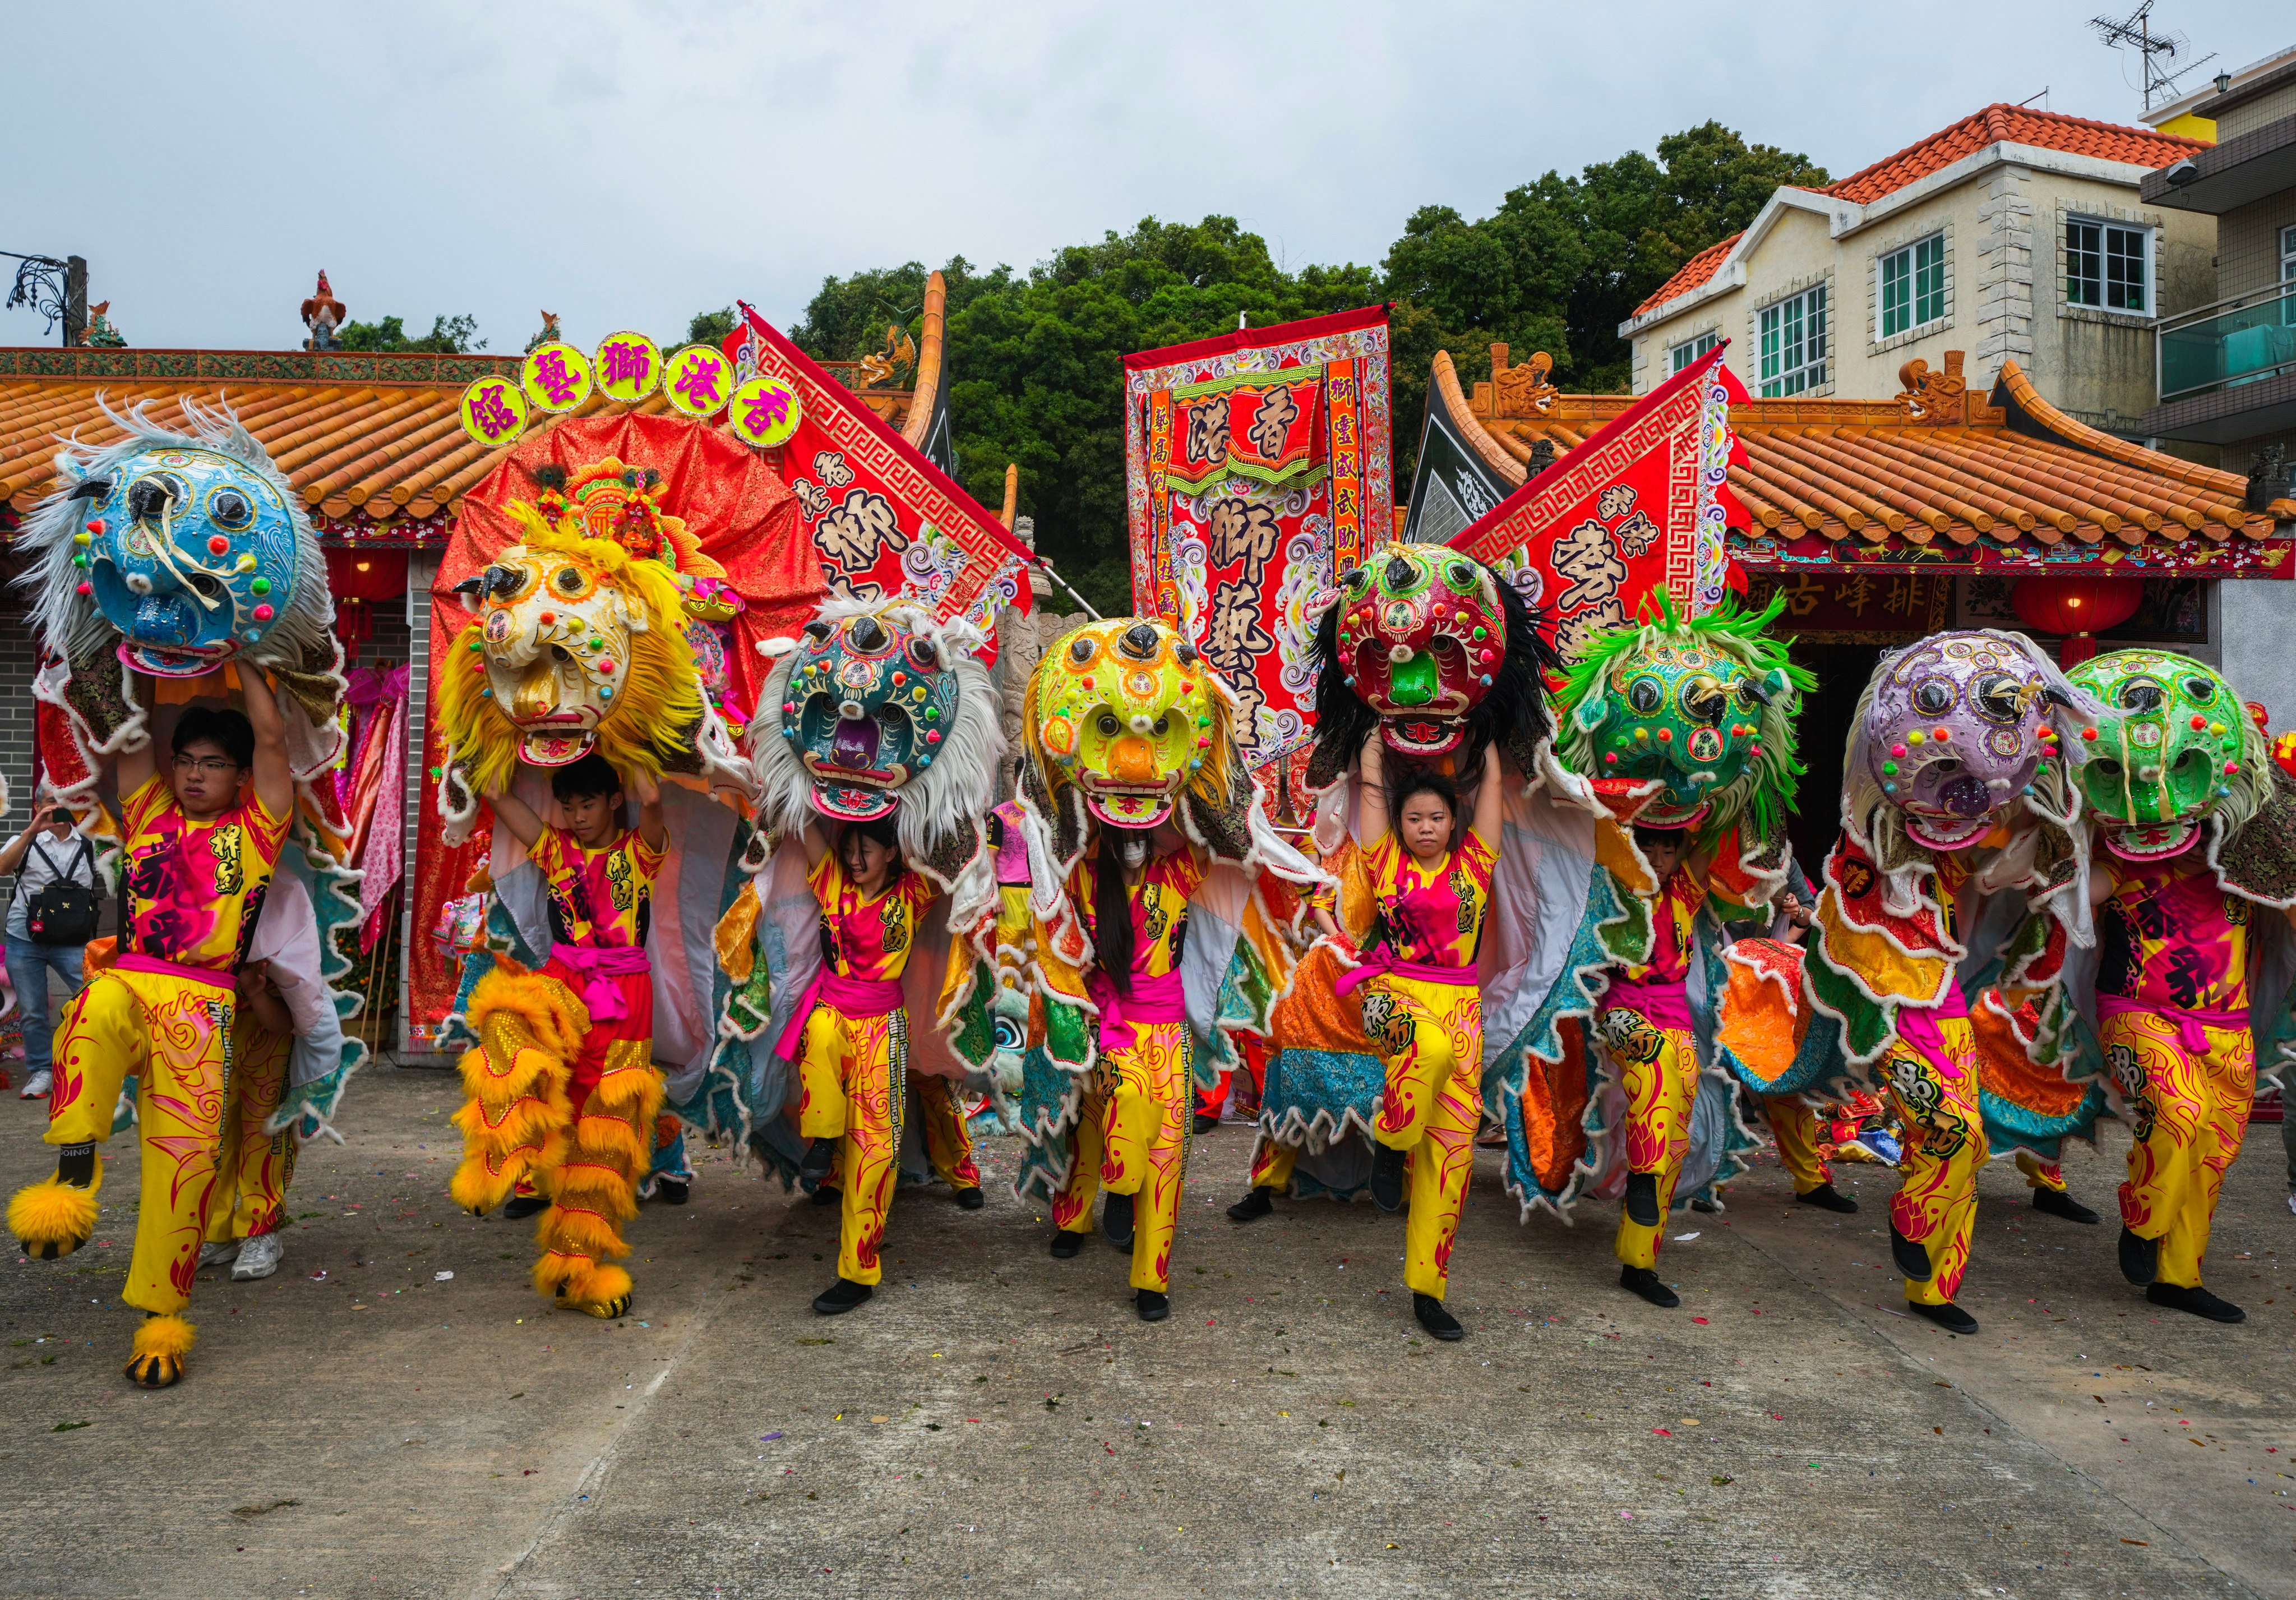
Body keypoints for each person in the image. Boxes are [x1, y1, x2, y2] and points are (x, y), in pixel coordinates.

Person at [7, 683, 293, 1387]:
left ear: (241, 775)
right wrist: (121, 650)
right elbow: (122, 728)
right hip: (135, 983)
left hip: (202, 1012)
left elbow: (276, 740)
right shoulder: (149, 813)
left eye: (215, 763)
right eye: (187, 760)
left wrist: (252, 660)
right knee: (93, 1008)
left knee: (184, 1174)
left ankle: (161, 1325)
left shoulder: (258, 829)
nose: (196, 774)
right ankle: (75, 1170)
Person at [454, 754, 666, 1320]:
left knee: (601, 1149)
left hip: (625, 1003)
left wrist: (631, 735)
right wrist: (481, 745)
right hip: (566, 985)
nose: (576, 815)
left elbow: (653, 803)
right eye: (567, 805)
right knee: (505, 1019)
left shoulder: (639, 852)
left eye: (588, 803)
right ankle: (505, 1149)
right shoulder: (556, 850)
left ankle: (579, 1271)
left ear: (612, 800)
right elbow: (502, 800)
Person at [1343, 734, 1502, 1342]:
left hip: (1462, 1011)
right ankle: (1389, 1144)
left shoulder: (1476, 865)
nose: (1426, 826)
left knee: (1451, 1162)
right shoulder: (1386, 862)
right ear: (1401, 823)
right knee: (1425, 1049)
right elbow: (1371, 787)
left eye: (1437, 817)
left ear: (1452, 820)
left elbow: (1489, 795)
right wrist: (1375, 745)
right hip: (1394, 998)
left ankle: (1428, 1293)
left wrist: (1488, 753)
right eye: (1415, 817)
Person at [784, 811, 958, 1315]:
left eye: (868, 849)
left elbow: (950, 849)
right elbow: (804, 824)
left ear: (891, 853)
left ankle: (857, 1272)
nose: (855, 858)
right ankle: (822, 1138)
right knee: (816, 1032)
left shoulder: (913, 893)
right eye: (850, 847)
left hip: (884, 1026)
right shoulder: (832, 880)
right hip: (832, 1011)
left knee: (876, 1154)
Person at [1048, 823, 1208, 1325]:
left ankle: (1151, 1279)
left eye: (1144, 829)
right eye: (1122, 831)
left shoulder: (1178, 872)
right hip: (1108, 1022)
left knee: (1164, 1156)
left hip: (1167, 1028)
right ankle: (1092, 1206)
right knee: (1104, 1117)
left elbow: (1209, 834)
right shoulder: (1082, 877)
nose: (1135, 842)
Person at [197, 871, 343, 1281]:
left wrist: (256, 991)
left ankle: (260, 1228)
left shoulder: (281, 891)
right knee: (210, 1134)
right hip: (202, 1033)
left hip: (264, 1036)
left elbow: (287, 1018)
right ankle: (216, 1231)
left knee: (265, 1130)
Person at [0, 791, 98, 1100]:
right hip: (24, 937)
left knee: (94, 1001)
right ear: (38, 807)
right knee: (32, 1011)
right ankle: (42, 1070)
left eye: (64, 803)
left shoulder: (91, 843)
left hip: (73, 940)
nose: (57, 810)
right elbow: (3, 868)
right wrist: (32, 831)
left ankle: (97, 1063)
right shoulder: (24, 840)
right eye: (50, 803)